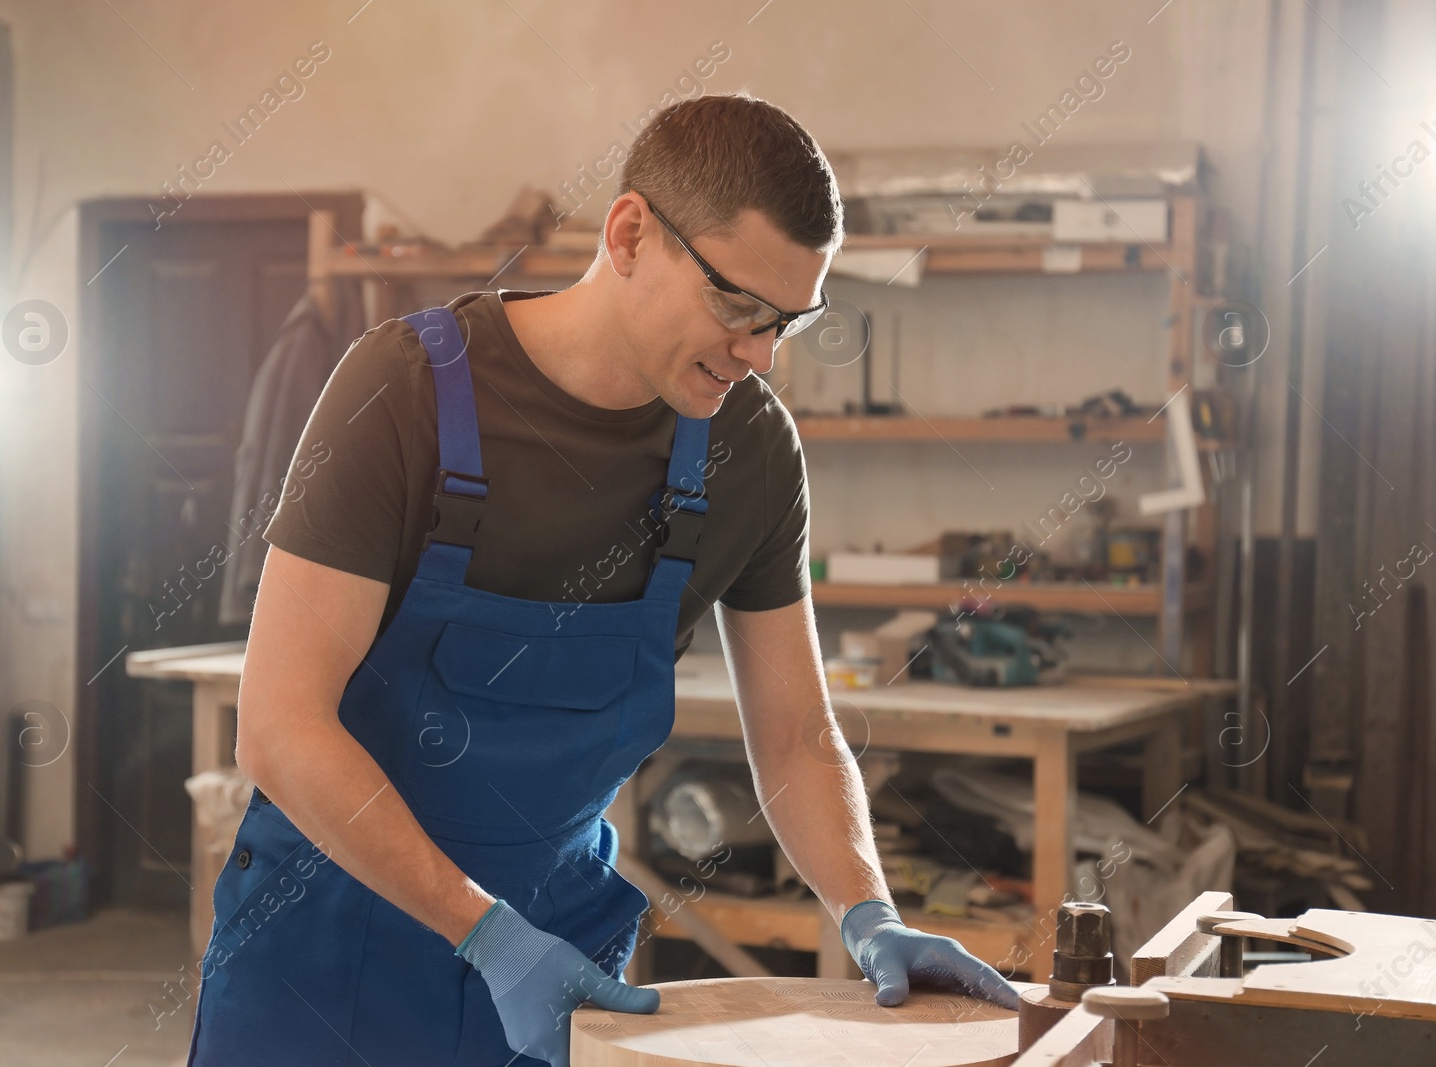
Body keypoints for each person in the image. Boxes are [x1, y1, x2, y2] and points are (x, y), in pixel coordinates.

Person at [185, 92, 1018, 1067]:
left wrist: (867, 909)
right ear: (629, 233)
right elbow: (281, 724)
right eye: (737, 306)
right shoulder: (402, 389)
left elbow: (794, 731)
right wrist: (482, 933)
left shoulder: (746, 451)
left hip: (558, 961)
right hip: (326, 952)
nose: (759, 355)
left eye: (788, 322)